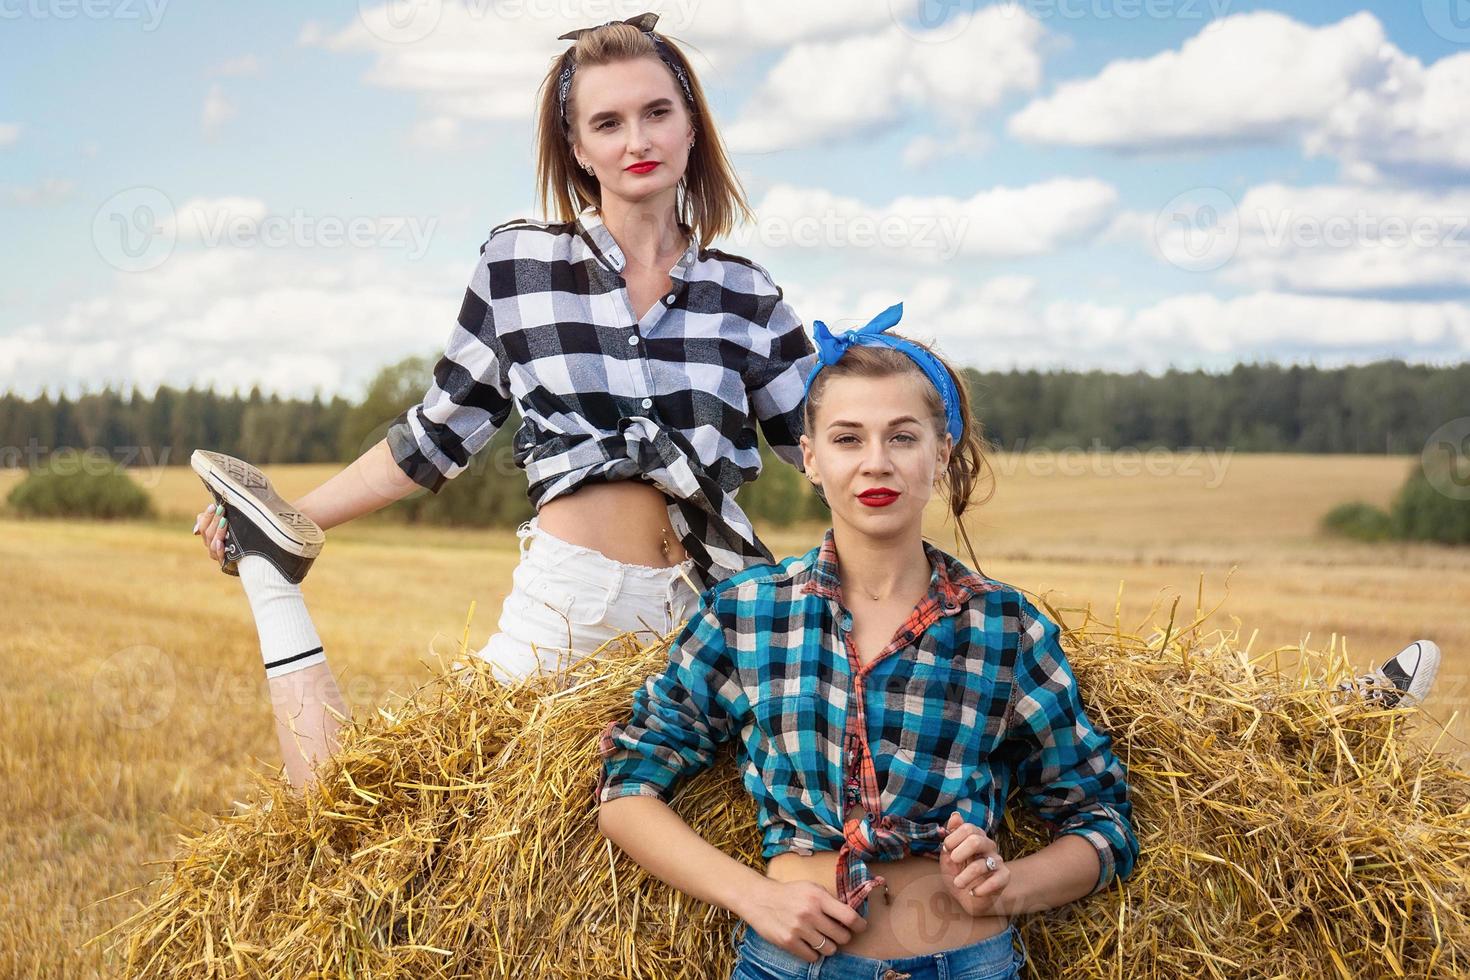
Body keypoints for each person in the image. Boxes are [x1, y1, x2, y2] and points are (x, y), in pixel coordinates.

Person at [188, 12, 818, 793]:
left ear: (693, 126)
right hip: (569, 606)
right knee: (396, 810)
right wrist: (287, 520)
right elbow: (436, 437)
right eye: (608, 122)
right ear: (580, 149)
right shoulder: (520, 263)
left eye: (658, 113)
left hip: (707, 617)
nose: (637, 140)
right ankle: (272, 588)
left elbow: (827, 449)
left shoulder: (745, 293)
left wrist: (918, 402)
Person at [595, 304, 1139, 979]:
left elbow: (1101, 819)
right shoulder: (747, 615)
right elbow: (626, 786)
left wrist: (1010, 884)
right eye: (848, 439)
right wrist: (753, 896)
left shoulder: (1004, 625)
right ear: (812, 457)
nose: (875, 463)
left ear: (940, 455)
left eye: (902, 438)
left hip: (969, 962)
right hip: (791, 967)